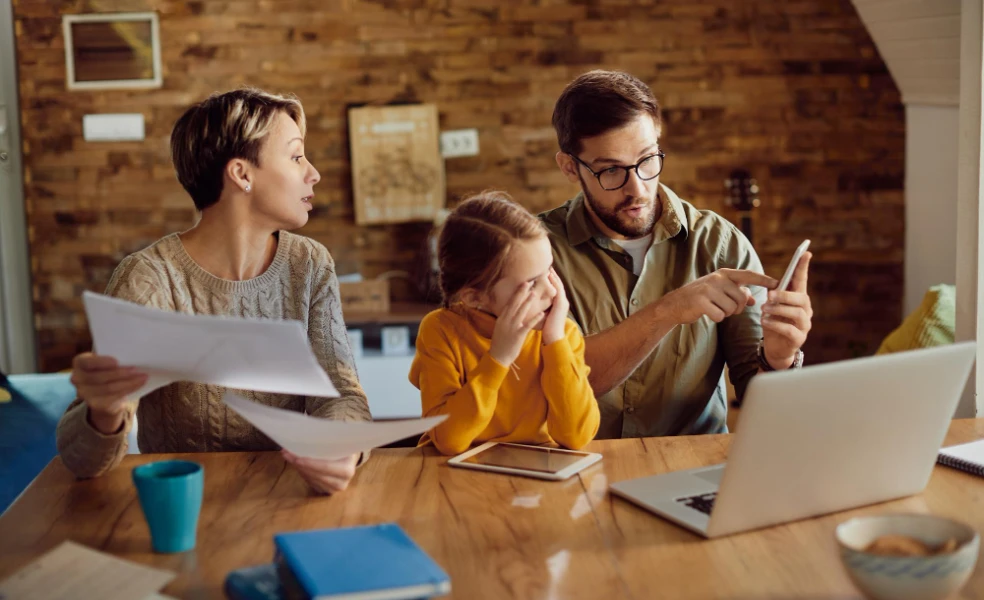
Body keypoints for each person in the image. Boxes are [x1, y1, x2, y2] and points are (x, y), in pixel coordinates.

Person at [56, 88, 371, 494]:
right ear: (241, 174)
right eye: (296, 157)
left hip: (291, 495)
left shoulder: (310, 264)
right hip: (180, 507)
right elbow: (81, 461)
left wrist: (339, 448)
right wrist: (104, 411)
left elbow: (341, 394)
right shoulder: (149, 278)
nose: (313, 173)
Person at [540, 70, 814, 438]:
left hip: (691, 469)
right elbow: (559, 384)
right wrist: (667, 311)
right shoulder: (537, 253)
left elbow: (763, 404)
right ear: (570, 167)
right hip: (580, 468)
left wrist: (779, 358)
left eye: (648, 159)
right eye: (610, 171)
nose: (637, 188)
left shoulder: (721, 245)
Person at [410, 192, 600, 456]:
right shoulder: (441, 331)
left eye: (549, 272)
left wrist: (555, 342)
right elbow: (449, 440)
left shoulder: (561, 333)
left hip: (537, 477)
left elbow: (576, 437)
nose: (552, 292)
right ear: (475, 298)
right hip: (454, 475)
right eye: (532, 284)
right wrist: (499, 357)